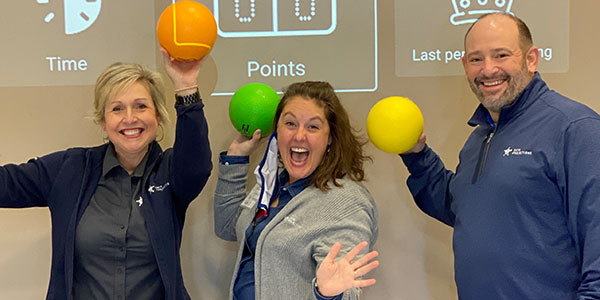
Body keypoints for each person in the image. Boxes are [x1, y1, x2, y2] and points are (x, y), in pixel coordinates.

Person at [400, 13, 600, 299]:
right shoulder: (479, 137)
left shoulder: (575, 128)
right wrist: (417, 155)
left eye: (501, 55)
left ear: (531, 59)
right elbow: (464, 209)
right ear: (465, 65)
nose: (488, 69)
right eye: (476, 59)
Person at [0, 49, 212, 300]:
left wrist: (186, 87)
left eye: (141, 106)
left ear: (158, 115)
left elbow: (197, 165)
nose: (129, 118)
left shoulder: (170, 171)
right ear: (102, 120)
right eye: (117, 109)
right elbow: (6, 185)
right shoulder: (70, 169)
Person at [214, 81, 379, 300]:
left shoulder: (347, 202)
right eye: (290, 123)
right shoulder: (272, 183)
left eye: (313, 127)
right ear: (277, 131)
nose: (299, 136)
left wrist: (328, 294)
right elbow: (228, 227)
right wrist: (235, 159)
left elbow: (346, 288)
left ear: (330, 137)